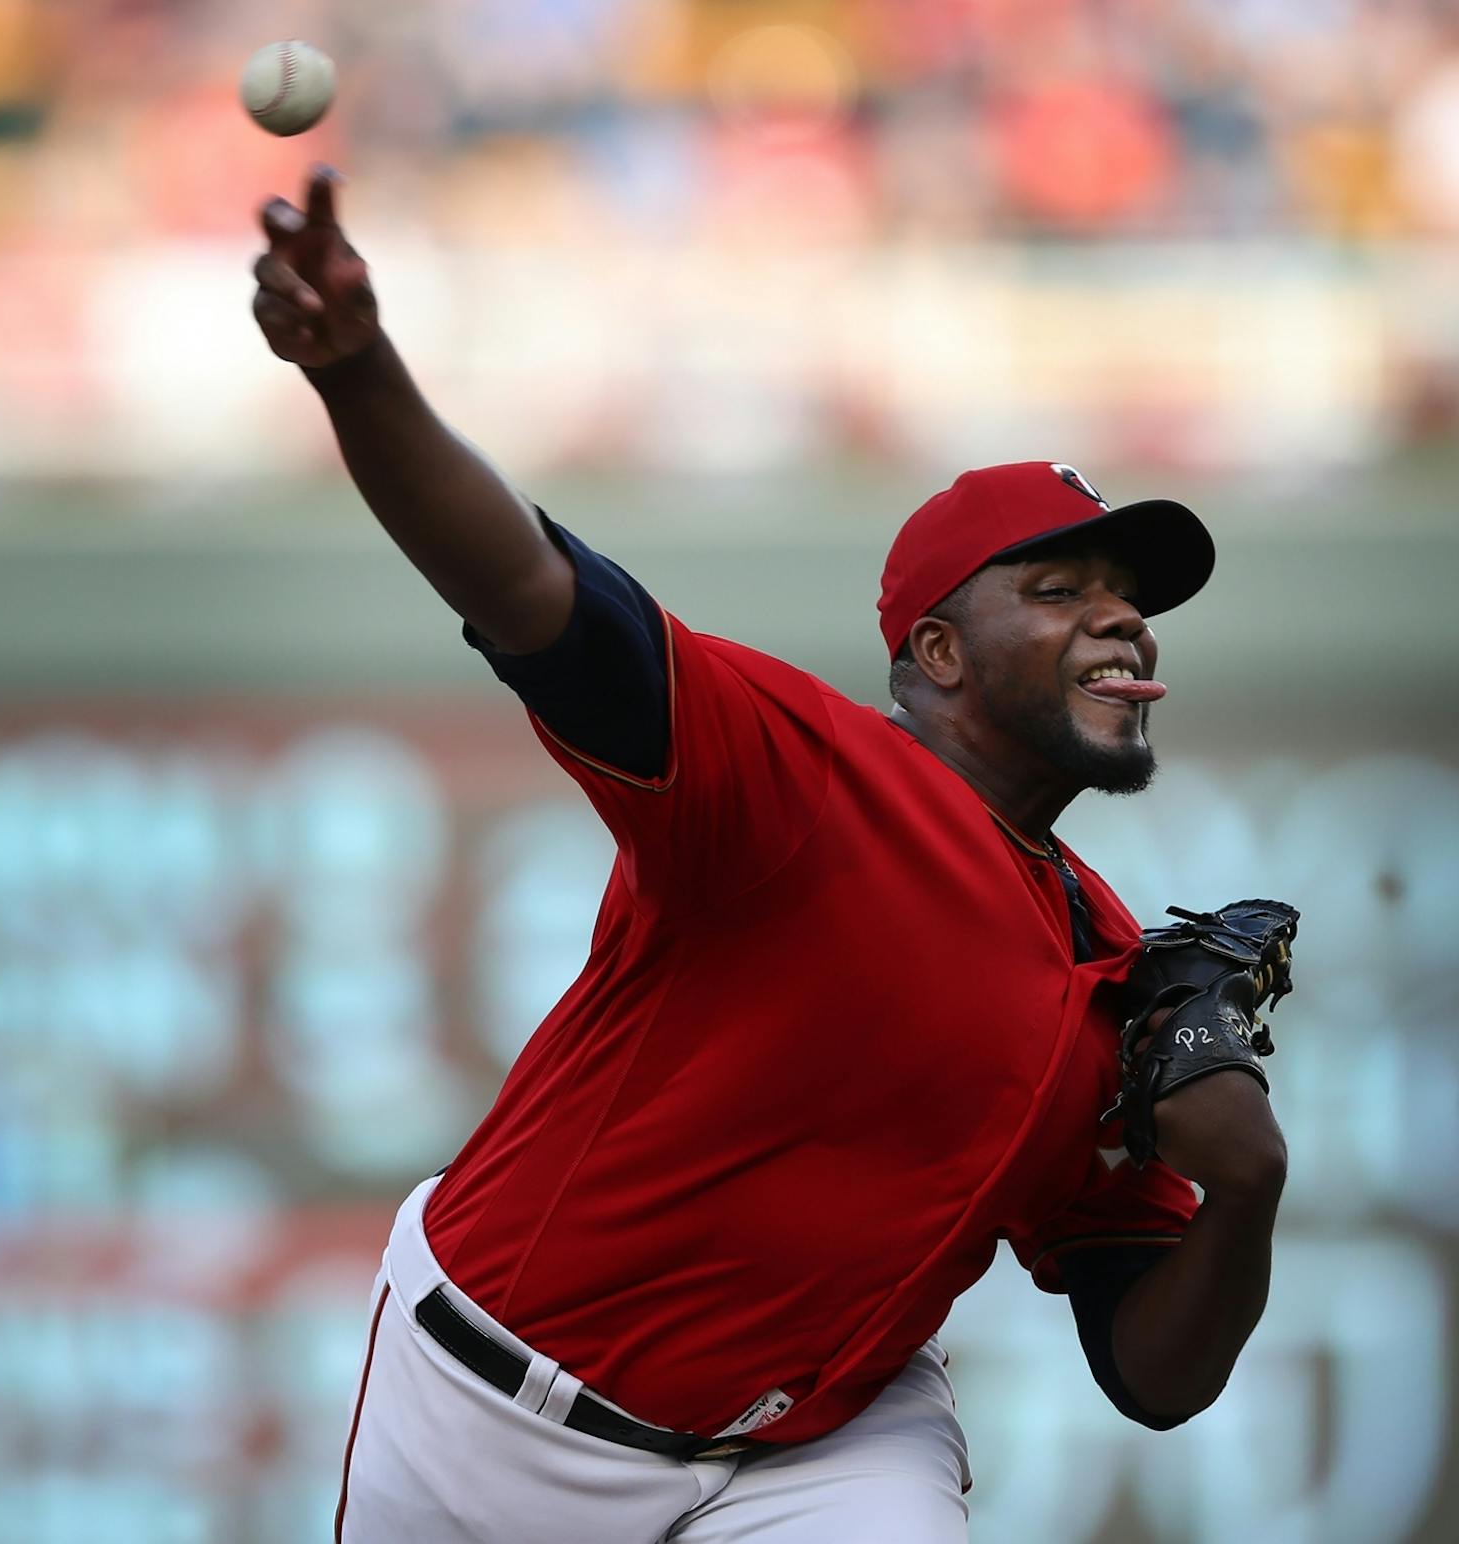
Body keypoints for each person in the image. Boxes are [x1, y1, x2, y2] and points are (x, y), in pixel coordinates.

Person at [251, 168, 1289, 1544]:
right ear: (937, 653)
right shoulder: (802, 774)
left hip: (819, 1451)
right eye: (1060, 593)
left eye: (1131, 602)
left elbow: (1154, 1377)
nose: (1123, 623)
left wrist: (1250, 1188)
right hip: (492, 1418)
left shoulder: (1111, 967)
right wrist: (359, 372)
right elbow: (521, 587)